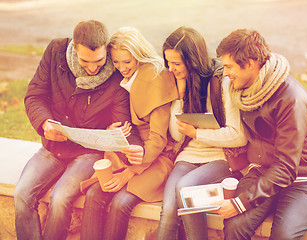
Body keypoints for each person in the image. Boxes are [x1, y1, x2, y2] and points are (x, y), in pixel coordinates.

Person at [14, 20, 143, 240]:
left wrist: (122, 139)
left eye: (100, 60)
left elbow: (123, 124)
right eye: (85, 61)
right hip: (54, 146)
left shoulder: (116, 75)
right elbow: (35, 95)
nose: (93, 68)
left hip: (88, 153)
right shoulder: (55, 53)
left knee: (60, 198)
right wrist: (44, 123)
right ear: (74, 47)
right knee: (21, 194)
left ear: (107, 50)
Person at [216, 29, 307, 240]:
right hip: (263, 171)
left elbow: (287, 167)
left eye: (229, 67)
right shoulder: (245, 90)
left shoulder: (292, 98)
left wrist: (241, 202)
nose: (226, 73)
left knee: (283, 235)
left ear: (250, 64)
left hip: (303, 177)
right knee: (234, 227)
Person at [80, 26, 179, 240]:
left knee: (120, 203)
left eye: (127, 61)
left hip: (156, 157)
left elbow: (159, 139)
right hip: (128, 150)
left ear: (139, 55)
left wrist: (128, 173)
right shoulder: (123, 78)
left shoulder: (154, 78)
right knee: (95, 194)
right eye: (116, 62)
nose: (122, 68)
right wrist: (111, 131)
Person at [156, 26, 247, 240]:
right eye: (168, 62)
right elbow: (178, 136)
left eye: (176, 63)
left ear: (193, 60)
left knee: (185, 188)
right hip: (188, 156)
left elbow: (238, 135)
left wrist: (197, 134)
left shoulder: (222, 83)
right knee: (168, 208)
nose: (171, 69)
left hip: (221, 157)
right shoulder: (182, 82)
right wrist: (179, 97)